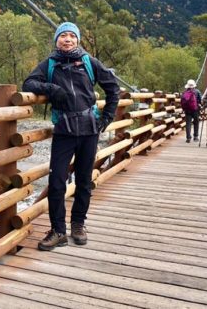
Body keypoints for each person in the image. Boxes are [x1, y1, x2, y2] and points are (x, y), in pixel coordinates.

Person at [22, 22, 119, 251]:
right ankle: (58, 231)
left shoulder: (89, 62)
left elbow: (113, 88)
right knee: (56, 183)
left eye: (71, 36)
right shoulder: (50, 64)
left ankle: (78, 225)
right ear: (57, 40)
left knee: (84, 181)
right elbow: (28, 83)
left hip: (89, 131)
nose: (67, 39)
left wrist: (105, 120)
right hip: (64, 130)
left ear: (77, 40)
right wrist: (51, 89)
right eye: (63, 36)